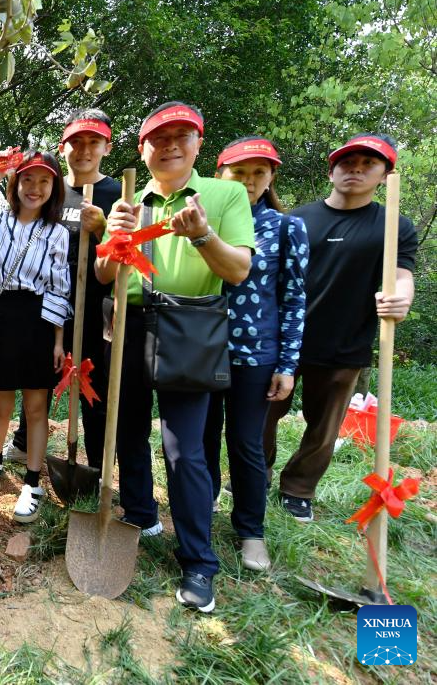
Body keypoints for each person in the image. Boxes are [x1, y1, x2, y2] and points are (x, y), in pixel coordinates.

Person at [96, 102, 254, 612]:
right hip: (129, 323)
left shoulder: (225, 194)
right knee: (128, 431)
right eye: (158, 138)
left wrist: (203, 235)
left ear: (198, 144)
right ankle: (141, 515)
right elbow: (102, 275)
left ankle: (198, 562)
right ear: (142, 149)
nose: (169, 146)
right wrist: (114, 240)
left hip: (190, 325)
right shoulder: (128, 201)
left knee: (185, 448)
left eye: (181, 136)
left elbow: (237, 272)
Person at [262, 133, 418, 521]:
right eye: (349, 163)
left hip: (346, 341)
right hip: (284, 339)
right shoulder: (298, 219)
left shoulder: (393, 225)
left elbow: (402, 275)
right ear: (332, 170)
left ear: (384, 174)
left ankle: (298, 489)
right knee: (262, 413)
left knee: (324, 424)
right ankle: (255, 474)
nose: (357, 170)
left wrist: (400, 297)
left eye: (369, 164)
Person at [201, 137, 309, 571]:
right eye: (239, 173)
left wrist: (287, 364)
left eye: (259, 173)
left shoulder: (286, 228)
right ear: (220, 175)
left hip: (255, 353)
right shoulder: (203, 222)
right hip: (201, 349)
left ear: (271, 178)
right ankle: (202, 509)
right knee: (201, 437)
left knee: (245, 443)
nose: (249, 182)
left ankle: (251, 531)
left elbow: (294, 298)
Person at [4, 109, 121, 469]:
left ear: (107, 147)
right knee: (38, 374)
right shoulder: (51, 190)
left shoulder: (117, 193)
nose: (84, 150)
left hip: (96, 305)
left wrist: (102, 229)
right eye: (76, 142)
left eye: (93, 142)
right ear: (63, 145)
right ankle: (24, 442)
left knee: (94, 383)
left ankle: (98, 463)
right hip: (47, 303)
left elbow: (131, 255)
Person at [0, 151, 71, 524]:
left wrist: (58, 341)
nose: (34, 188)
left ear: (54, 187)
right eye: (27, 180)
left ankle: (32, 482)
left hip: (38, 320)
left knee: (36, 408)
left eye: (44, 181)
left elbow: (59, 288)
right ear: (16, 184)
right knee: (1, 404)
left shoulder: (57, 233)